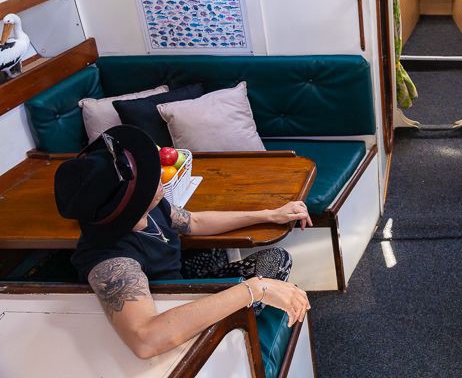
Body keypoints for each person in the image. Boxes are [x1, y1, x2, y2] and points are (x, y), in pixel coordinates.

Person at [54, 125, 313, 360]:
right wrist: (256, 289)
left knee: (223, 251)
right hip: (173, 305)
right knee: (278, 261)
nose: (159, 177)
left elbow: (194, 222)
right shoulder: (111, 261)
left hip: (176, 277)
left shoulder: (148, 207)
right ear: (131, 203)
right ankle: (234, 335)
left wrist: (270, 214)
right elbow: (145, 340)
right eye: (150, 179)